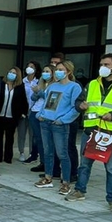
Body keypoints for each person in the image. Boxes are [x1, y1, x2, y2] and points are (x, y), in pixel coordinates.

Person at [66, 53, 112, 211]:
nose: (103, 68)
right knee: (84, 165)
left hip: (111, 133)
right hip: (91, 131)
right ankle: (80, 190)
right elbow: (78, 101)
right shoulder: (92, 83)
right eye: (102, 64)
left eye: (106, 65)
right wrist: (80, 106)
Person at [33, 61, 83, 194]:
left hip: (59, 124)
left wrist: (62, 120)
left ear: (68, 71)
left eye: (61, 69)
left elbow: (75, 108)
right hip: (45, 121)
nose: (58, 72)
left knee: (62, 153)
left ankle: (66, 182)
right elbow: (46, 103)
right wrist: (40, 114)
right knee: (47, 151)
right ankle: (48, 177)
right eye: (57, 70)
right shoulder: (53, 86)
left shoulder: (74, 87)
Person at [0, 67, 27, 165]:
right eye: (10, 72)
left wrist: (23, 113)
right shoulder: (1, 84)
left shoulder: (20, 87)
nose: (11, 74)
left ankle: (8, 157)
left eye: (14, 73)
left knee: (10, 137)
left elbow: (23, 100)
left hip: (12, 116)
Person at [20, 61, 43, 164]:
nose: (29, 68)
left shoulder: (39, 82)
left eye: (32, 67)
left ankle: (33, 154)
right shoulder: (22, 81)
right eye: (28, 66)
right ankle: (21, 152)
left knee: (33, 134)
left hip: (34, 109)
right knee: (21, 132)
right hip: (23, 110)